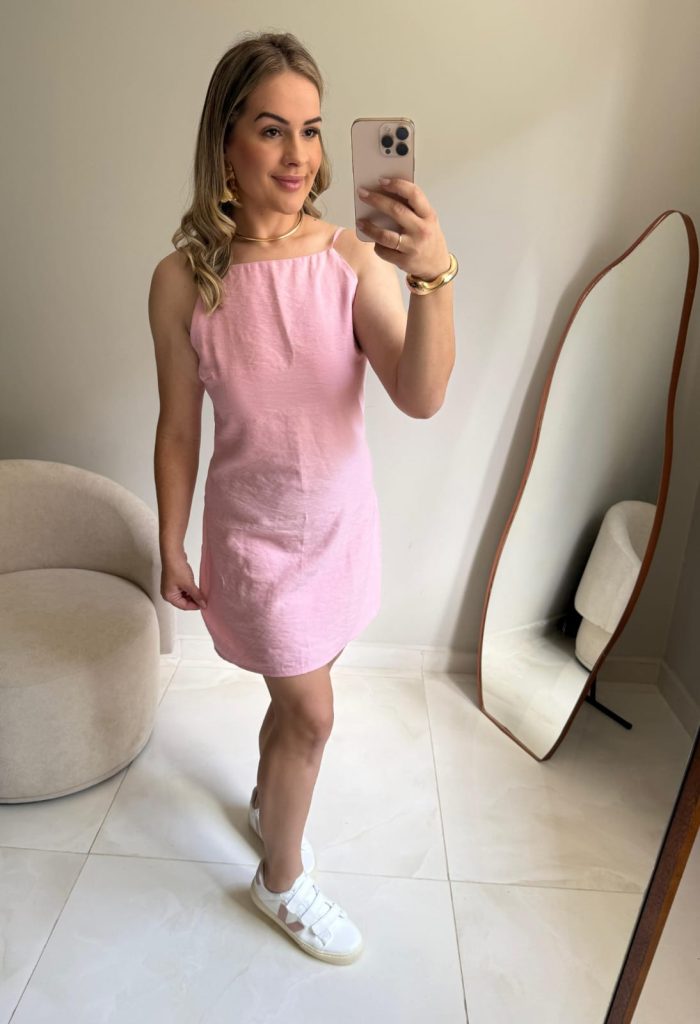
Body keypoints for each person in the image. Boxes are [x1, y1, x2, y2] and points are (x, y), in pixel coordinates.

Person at [148, 30, 456, 965]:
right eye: (272, 129)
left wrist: (432, 275)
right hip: (253, 545)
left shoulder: (351, 259)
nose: (299, 156)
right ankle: (279, 879)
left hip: (337, 532)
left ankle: (264, 798)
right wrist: (171, 539)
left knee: (294, 706)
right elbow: (178, 429)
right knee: (314, 715)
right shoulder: (182, 282)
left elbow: (420, 394)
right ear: (226, 141)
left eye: (313, 130)